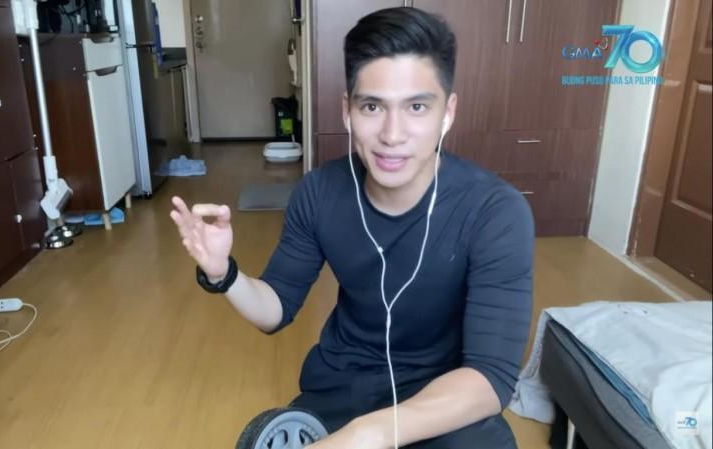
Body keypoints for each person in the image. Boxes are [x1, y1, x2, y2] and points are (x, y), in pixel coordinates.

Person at [170, 7, 534, 449]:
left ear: (447, 113)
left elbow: (490, 378)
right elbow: (275, 309)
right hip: (342, 385)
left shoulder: (496, 211)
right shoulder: (319, 192)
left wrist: (368, 435)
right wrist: (223, 273)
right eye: (372, 106)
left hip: (444, 396)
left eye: (417, 107)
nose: (392, 134)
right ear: (347, 111)